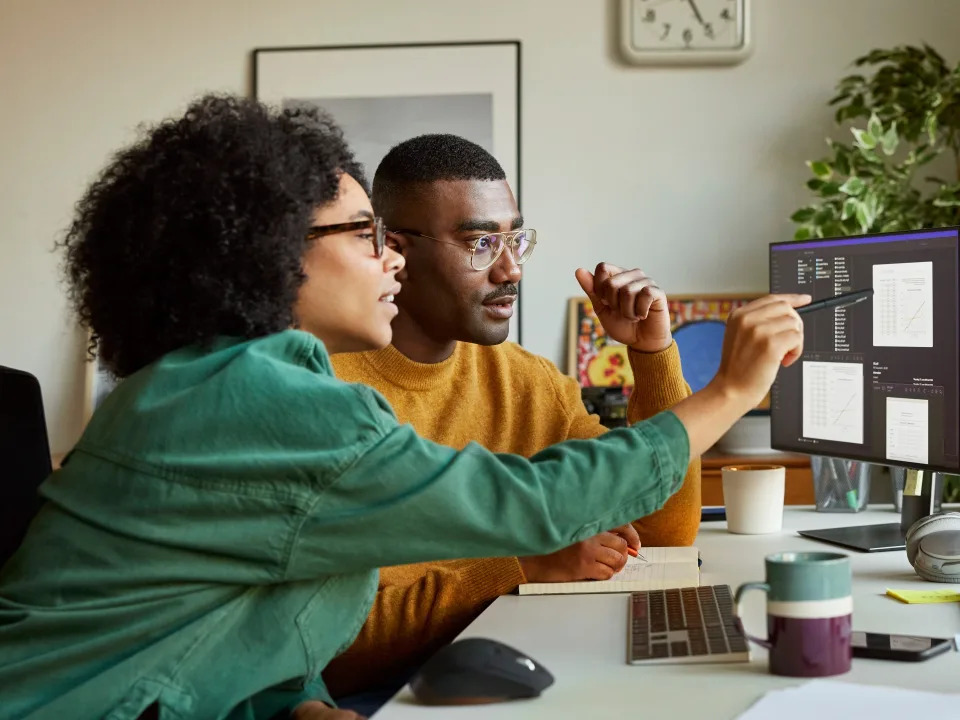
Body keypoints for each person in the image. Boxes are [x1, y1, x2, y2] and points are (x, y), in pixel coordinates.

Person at [0, 96, 806, 720]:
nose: (389, 256)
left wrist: (299, 707)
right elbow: (532, 505)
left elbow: (222, 624)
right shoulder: (255, 398)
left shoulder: (214, 384)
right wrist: (729, 391)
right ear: (270, 250)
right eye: (363, 234)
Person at [325, 134, 699, 697]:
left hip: (514, 660)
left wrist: (652, 358)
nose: (511, 271)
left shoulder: (527, 381)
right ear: (395, 251)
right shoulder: (321, 391)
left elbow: (662, 530)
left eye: (515, 241)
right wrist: (524, 566)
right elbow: (330, 645)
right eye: (480, 243)